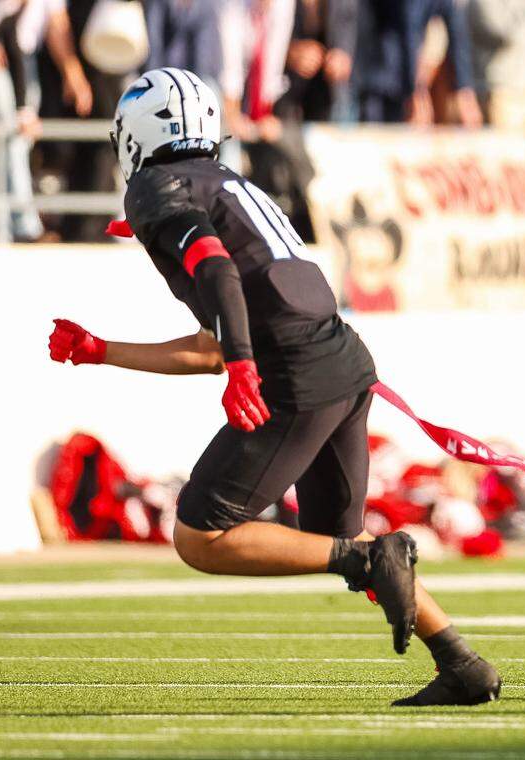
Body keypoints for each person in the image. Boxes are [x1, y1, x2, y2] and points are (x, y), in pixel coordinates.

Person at [47, 68, 501, 707]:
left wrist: (242, 366)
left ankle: (376, 564)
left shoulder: (157, 184)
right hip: (342, 363)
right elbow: (214, 341)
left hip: (296, 374)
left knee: (201, 535)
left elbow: (215, 270)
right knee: (336, 543)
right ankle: (461, 663)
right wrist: (104, 352)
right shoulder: (229, 184)